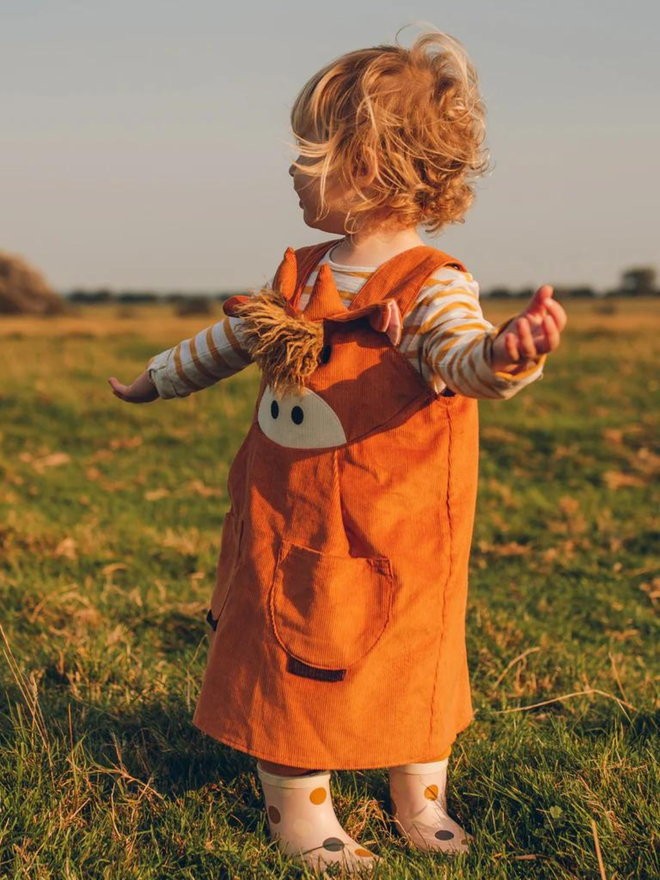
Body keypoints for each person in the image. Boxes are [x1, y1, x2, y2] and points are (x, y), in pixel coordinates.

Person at [109, 28, 566, 876]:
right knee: (288, 654)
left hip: (398, 525)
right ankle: (302, 811)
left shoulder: (432, 283)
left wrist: (510, 356)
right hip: (289, 517)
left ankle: (419, 798)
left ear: (365, 165)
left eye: (305, 149)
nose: (291, 166)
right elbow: (229, 340)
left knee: (410, 653)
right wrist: (154, 380)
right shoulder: (300, 273)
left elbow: (460, 361)